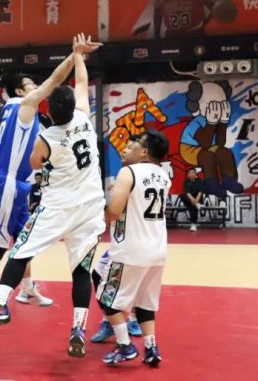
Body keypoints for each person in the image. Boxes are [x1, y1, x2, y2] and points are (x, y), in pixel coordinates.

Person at [0, 34, 102, 330]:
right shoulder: (24, 105)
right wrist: (75, 54)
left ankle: (26, 288)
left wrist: (76, 55)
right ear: (18, 90)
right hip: (8, 184)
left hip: (20, 184)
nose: (36, 87)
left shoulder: (25, 108)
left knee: (25, 237)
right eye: (30, 84)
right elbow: (56, 80)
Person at [98, 129, 171, 367]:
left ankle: (124, 345)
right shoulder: (164, 176)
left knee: (106, 298)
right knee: (144, 302)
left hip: (130, 248)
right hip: (157, 249)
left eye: (135, 144)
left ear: (144, 152)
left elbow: (114, 211)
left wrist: (99, 220)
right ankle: (151, 348)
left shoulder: (128, 172)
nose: (129, 147)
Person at [90, 144, 143, 344]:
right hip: (121, 241)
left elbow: (114, 211)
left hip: (134, 240)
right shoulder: (125, 175)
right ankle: (110, 320)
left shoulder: (136, 175)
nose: (124, 150)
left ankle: (132, 321)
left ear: (143, 153)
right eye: (125, 147)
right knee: (98, 274)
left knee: (133, 281)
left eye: (130, 147)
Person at [182, 167, 205, 231]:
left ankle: (193, 224)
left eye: (193, 173)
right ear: (188, 175)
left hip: (197, 198)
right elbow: (187, 193)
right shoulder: (186, 182)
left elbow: (200, 192)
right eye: (190, 173)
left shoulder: (199, 181)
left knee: (192, 206)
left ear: (195, 174)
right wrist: (194, 202)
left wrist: (196, 201)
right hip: (190, 199)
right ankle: (194, 224)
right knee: (183, 196)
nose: (192, 174)